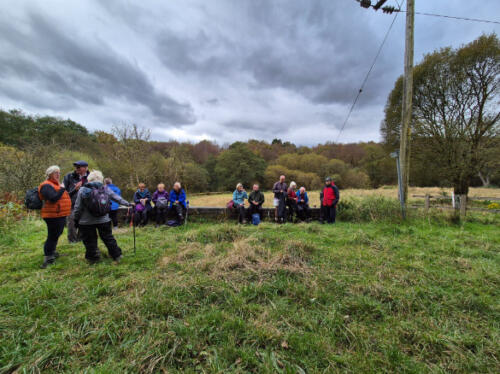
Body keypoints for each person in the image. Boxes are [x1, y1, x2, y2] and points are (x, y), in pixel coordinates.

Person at [73, 170, 133, 264]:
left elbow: (77, 207)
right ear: (101, 179)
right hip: (104, 219)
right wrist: (128, 204)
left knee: (90, 240)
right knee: (108, 238)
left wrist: (76, 219)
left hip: (86, 222)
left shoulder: (83, 190)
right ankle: (117, 255)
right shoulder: (105, 188)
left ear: (89, 179)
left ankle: (93, 258)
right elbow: (117, 198)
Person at [38, 165, 72, 269]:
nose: (58, 174)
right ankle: (48, 257)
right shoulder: (46, 185)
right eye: (56, 173)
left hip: (59, 214)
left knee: (57, 234)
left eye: (59, 172)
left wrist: (74, 189)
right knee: (52, 235)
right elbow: (53, 199)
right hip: (52, 215)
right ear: (50, 174)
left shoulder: (55, 185)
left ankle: (52, 252)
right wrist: (62, 189)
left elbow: (63, 197)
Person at [63, 160, 89, 243]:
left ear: (85, 168)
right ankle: (72, 241)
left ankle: (80, 239)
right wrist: (75, 189)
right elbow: (64, 193)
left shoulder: (90, 176)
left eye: (79, 167)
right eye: (76, 167)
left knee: (83, 223)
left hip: (86, 205)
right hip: (72, 204)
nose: (76, 169)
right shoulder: (69, 176)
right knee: (71, 223)